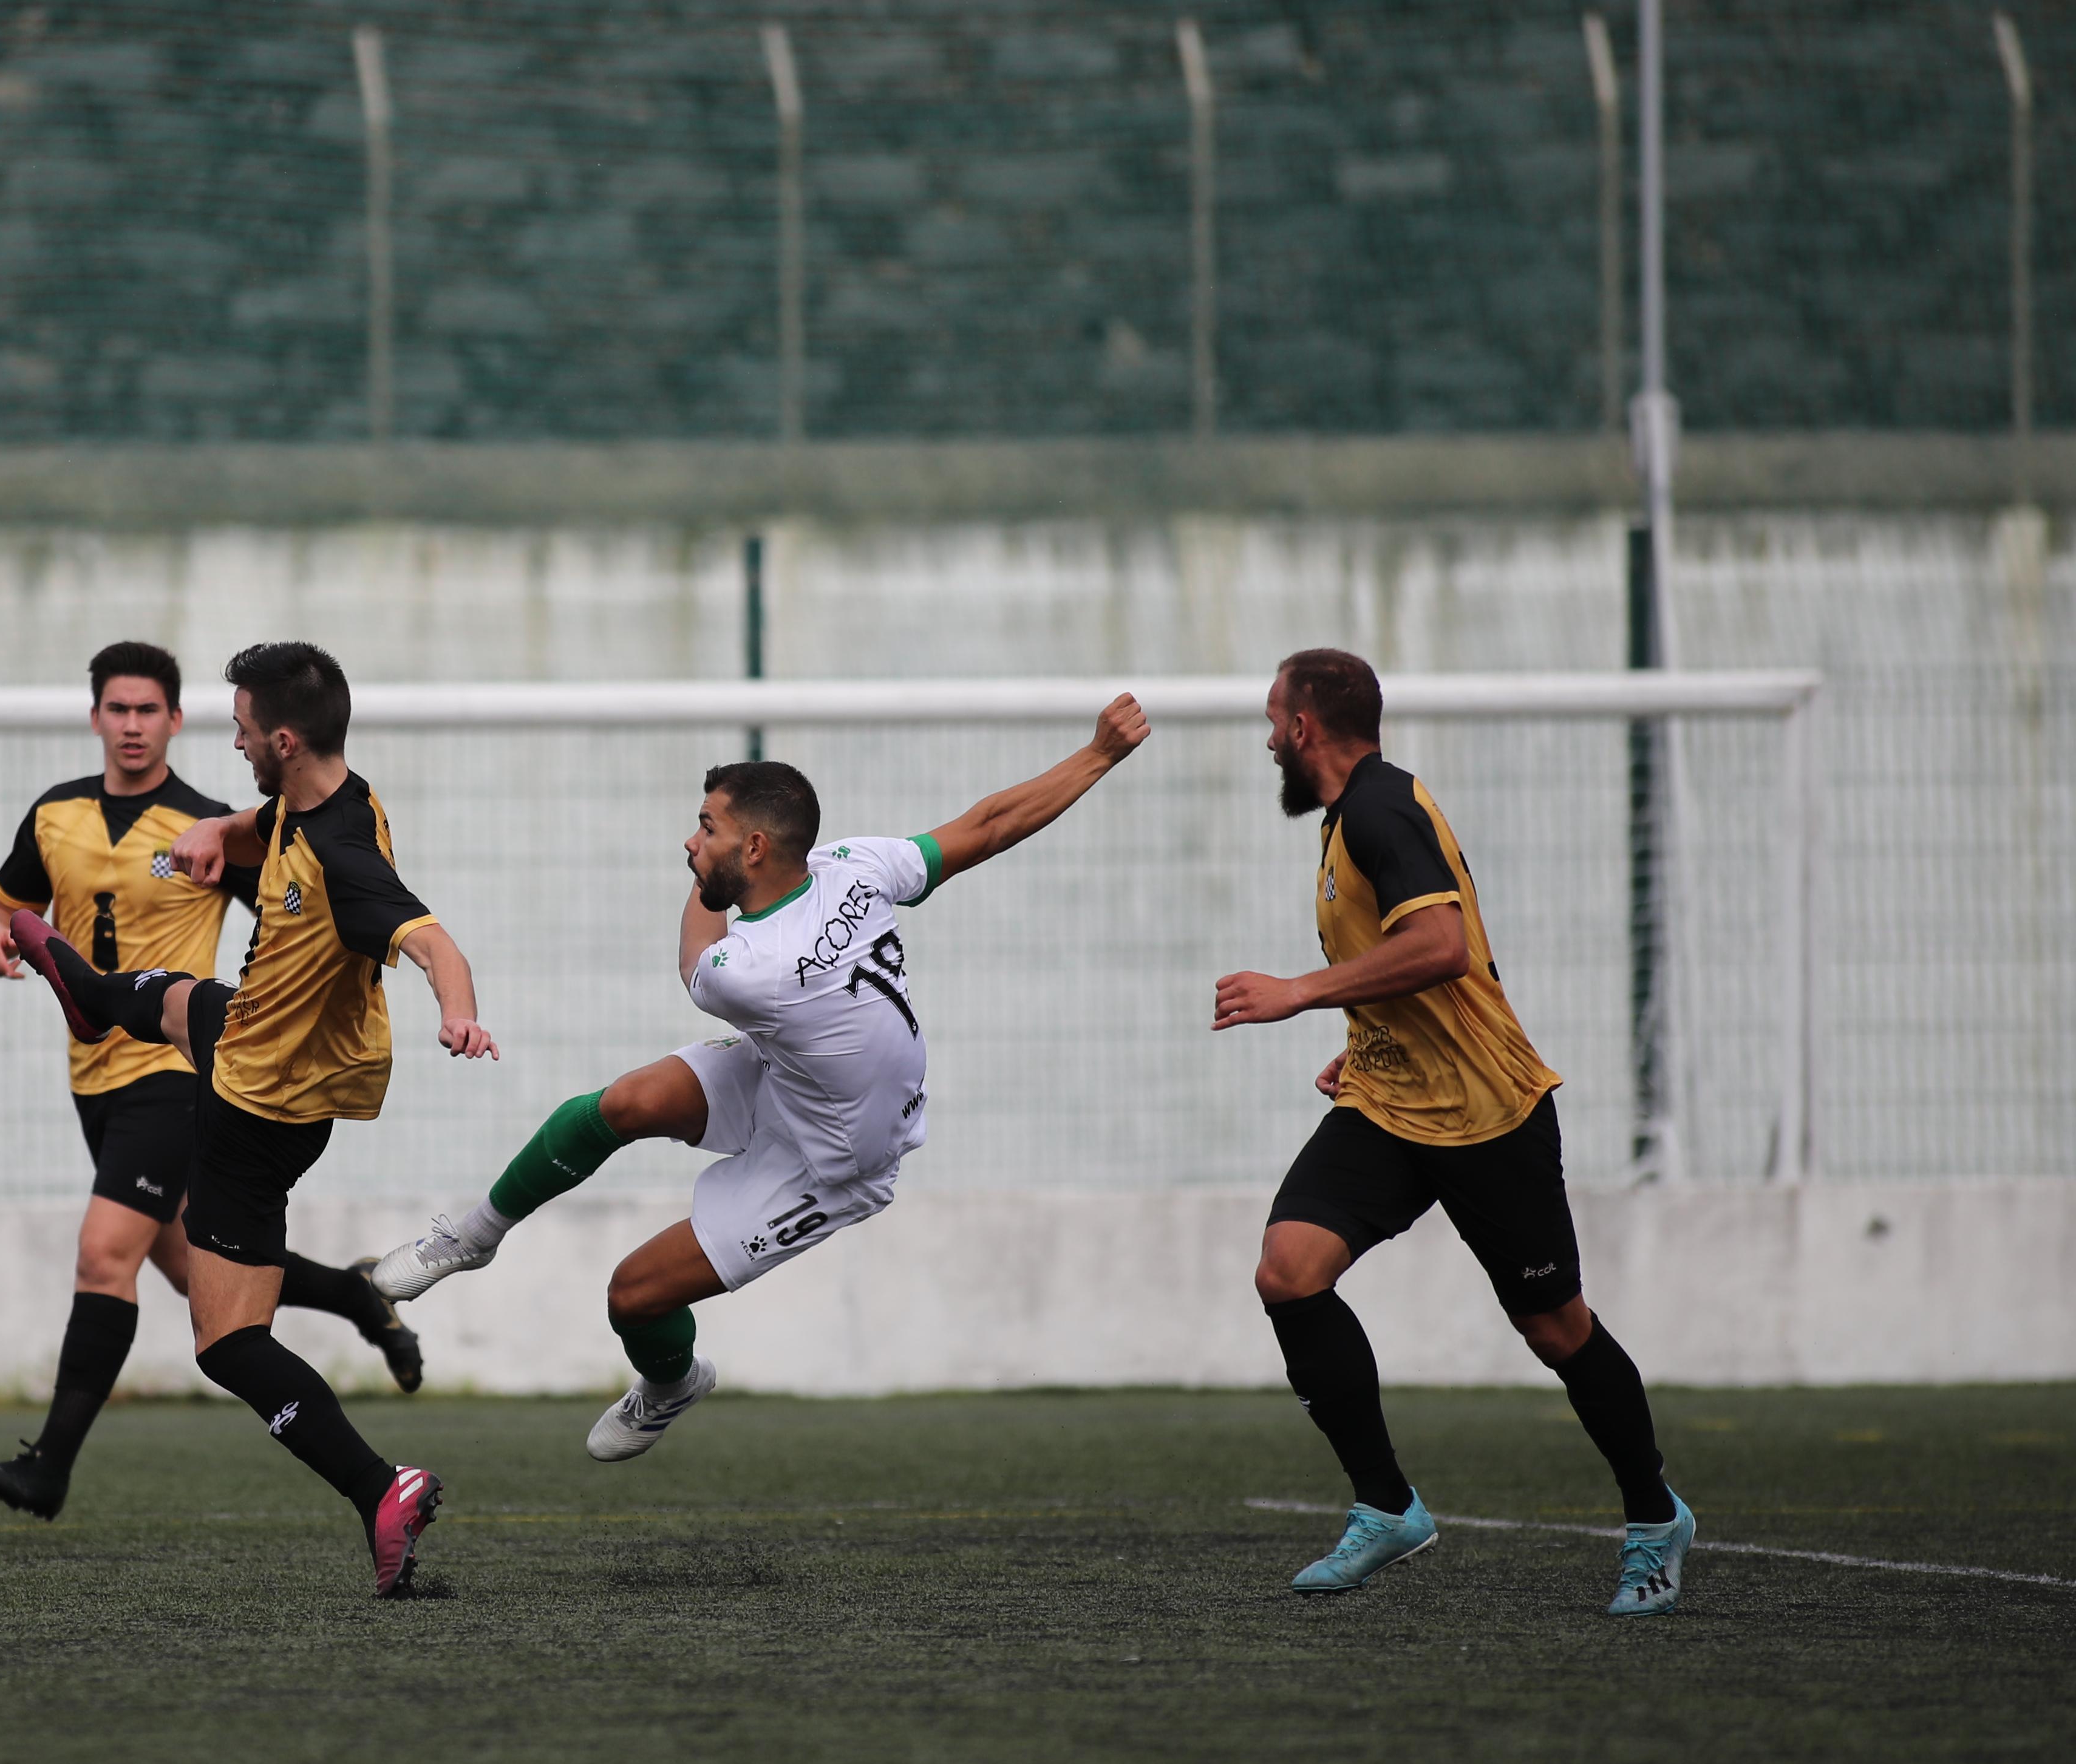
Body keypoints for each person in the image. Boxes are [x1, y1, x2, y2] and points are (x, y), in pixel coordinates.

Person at [369, 700, 1149, 1459]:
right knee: (618, 1105)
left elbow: (698, 952)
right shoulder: (855, 865)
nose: (689, 840)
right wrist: (1099, 755)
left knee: (632, 1297)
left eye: (705, 829)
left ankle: (671, 1385)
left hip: (837, 1158)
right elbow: (986, 827)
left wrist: (704, 876)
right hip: (793, 1078)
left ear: (753, 849)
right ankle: (473, 1237)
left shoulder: (747, 973)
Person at [1211, 647, 1694, 1616]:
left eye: (1273, 720)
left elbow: (1440, 947)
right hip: (1391, 1103)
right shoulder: (1358, 816)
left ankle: (1654, 1520)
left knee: (1557, 1331)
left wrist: (1299, 994)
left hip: (1487, 1114)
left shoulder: (1382, 809)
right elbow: (1404, 961)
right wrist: (1367, 1039)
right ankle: (1387, 1507)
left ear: (1305, 728)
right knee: (1289, 1272)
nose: (1267, 739)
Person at [7, 641, 492, 1598]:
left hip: (254, 1101)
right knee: (176, 998)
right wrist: (217, 833)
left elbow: (430, 938)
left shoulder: (344, 856)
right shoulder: (332, 796)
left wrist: (459, 1011)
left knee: (229, 1340)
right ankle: (96, 998)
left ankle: (380, 1486)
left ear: (281, 737)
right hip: (260, 1031)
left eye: (238, 730)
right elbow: (268, 818)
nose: (230, 743)